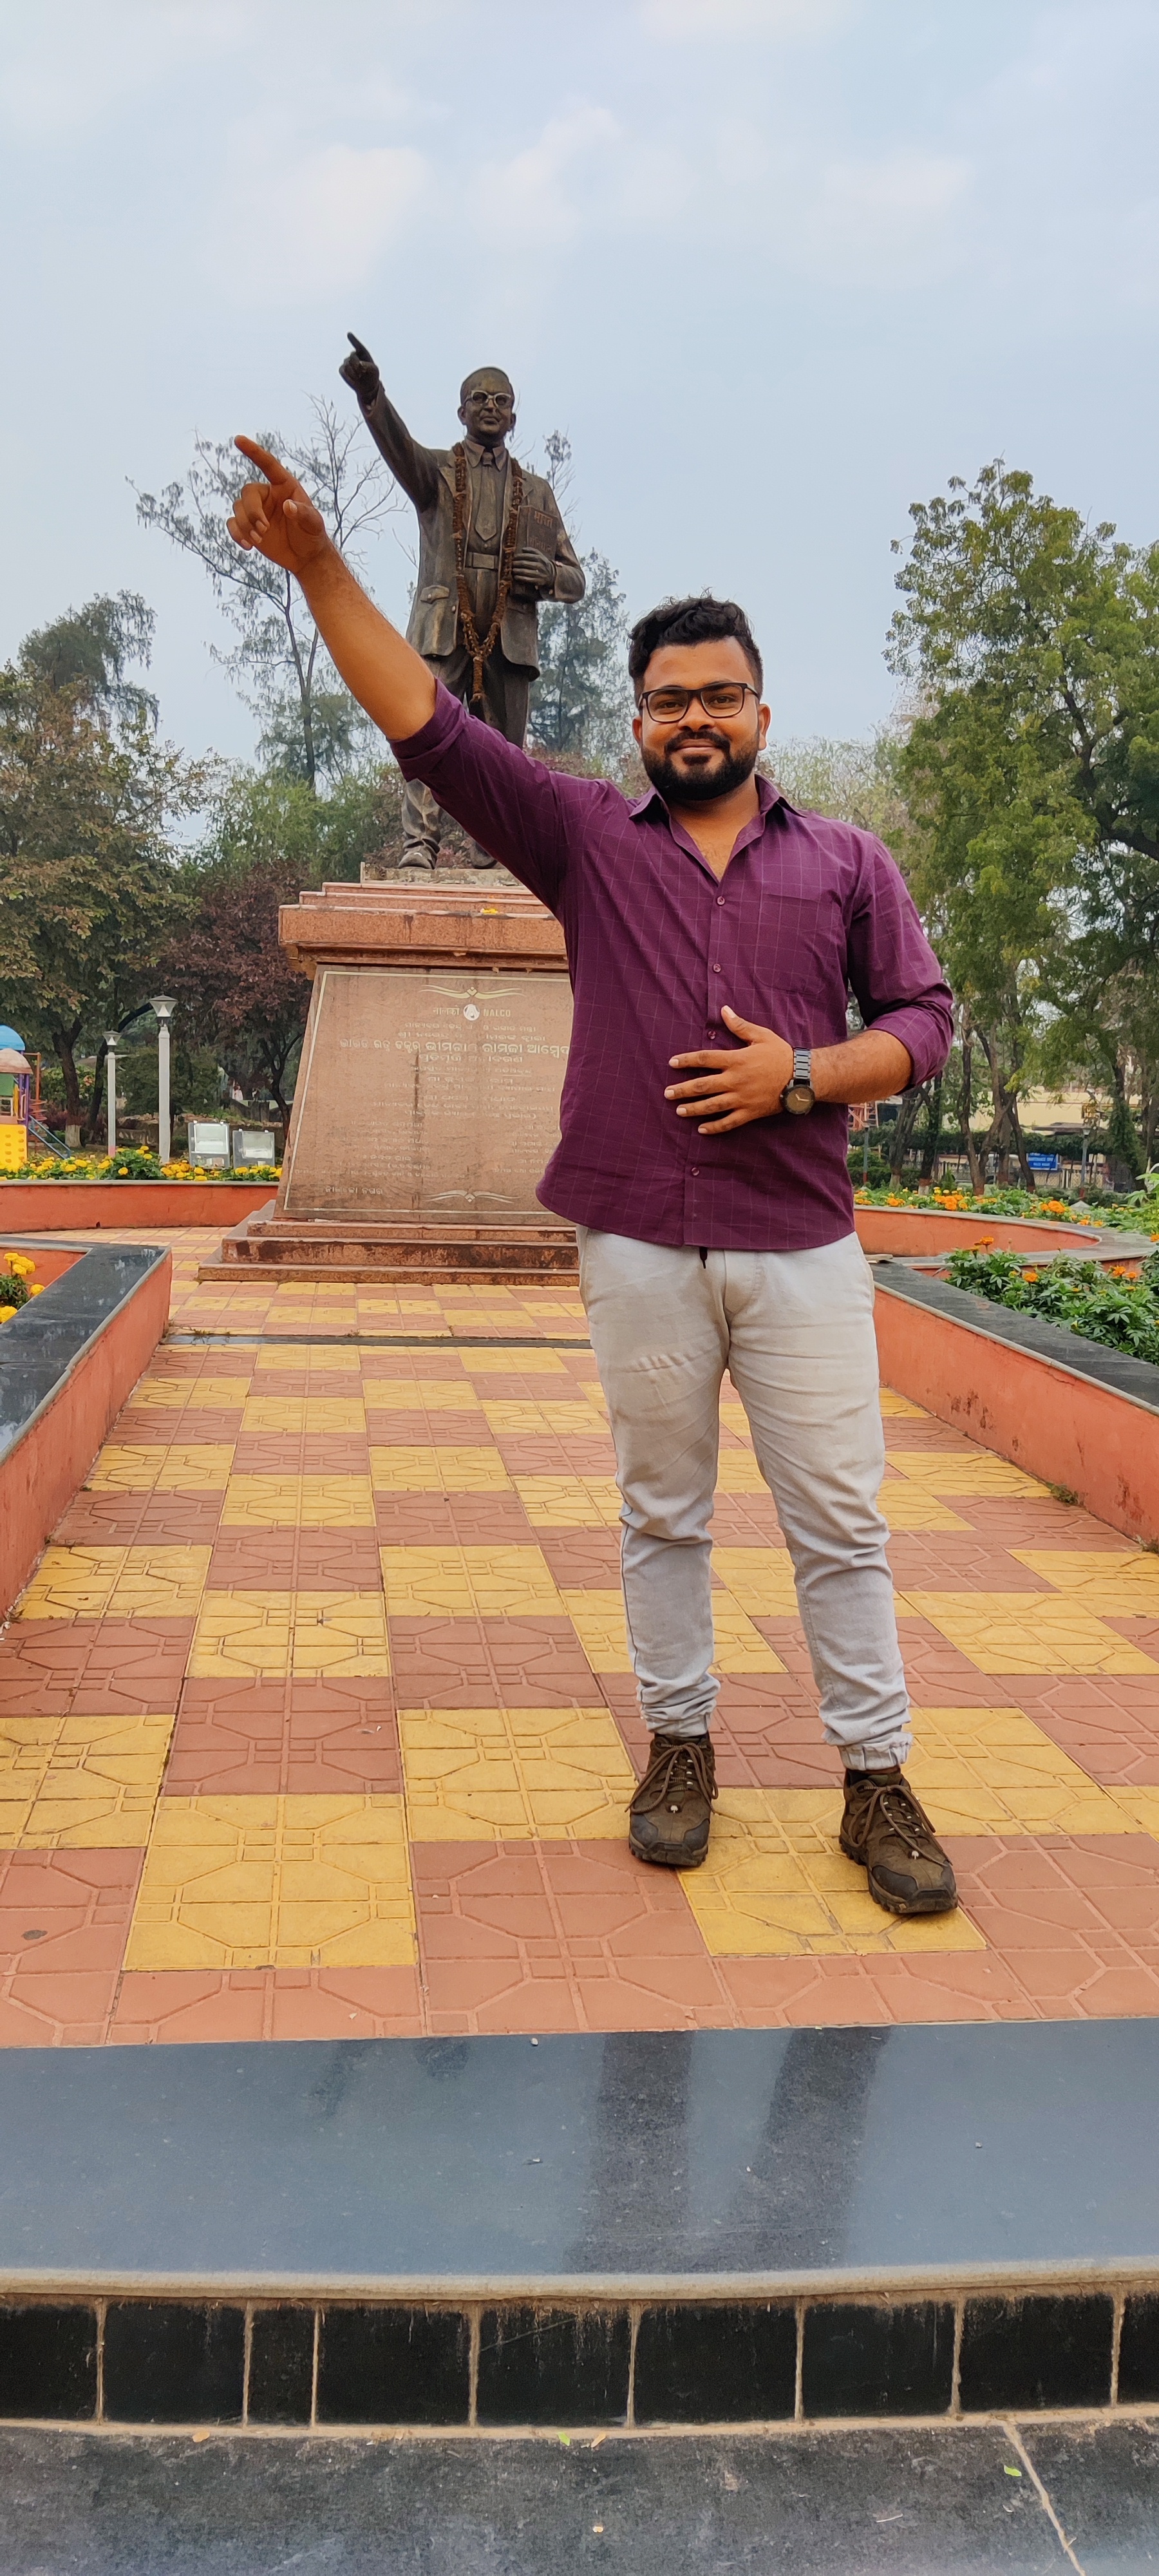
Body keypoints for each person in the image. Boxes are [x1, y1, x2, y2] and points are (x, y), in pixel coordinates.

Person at [227, 437, 958, 1920]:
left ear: (761, 712)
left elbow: (925, 1022)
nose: (696, 717)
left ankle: (875, 1776)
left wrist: (803, 1076)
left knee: (841, 1524)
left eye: (721, 694)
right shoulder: (582, 842)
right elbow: (431, 726)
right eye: (670, 698)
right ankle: (679, 1749)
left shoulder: (848, 862)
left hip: (802, 1246)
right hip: (638, 1242)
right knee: (662, 1513)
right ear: (637, 722)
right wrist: (318, 568)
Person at [338, 343, 585, 866]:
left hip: (510, 635)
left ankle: (493, 850)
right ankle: (420, 843)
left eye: (501, 400)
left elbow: (575, 579)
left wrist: (548, 576)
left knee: (504, 754)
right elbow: (398, 446)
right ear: (461, 411)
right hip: (443, 626)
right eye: (479, 398)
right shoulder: (436, 472)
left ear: (514, 417)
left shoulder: (537, 492)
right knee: (424, 730)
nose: (491, 406)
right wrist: (372, 394)